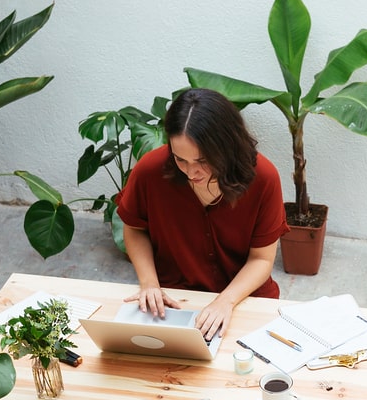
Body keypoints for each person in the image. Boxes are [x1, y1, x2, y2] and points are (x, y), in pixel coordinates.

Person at [116, 88, 288, 340]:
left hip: (245, 299)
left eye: (203, 160)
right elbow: (134, 228)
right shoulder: (150, 171)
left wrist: (225, 302)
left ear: (227, 146)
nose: (191, 172)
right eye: (180, 160)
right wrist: (149, 283)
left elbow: (262, 259)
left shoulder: (263, 178)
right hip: (175, 302)